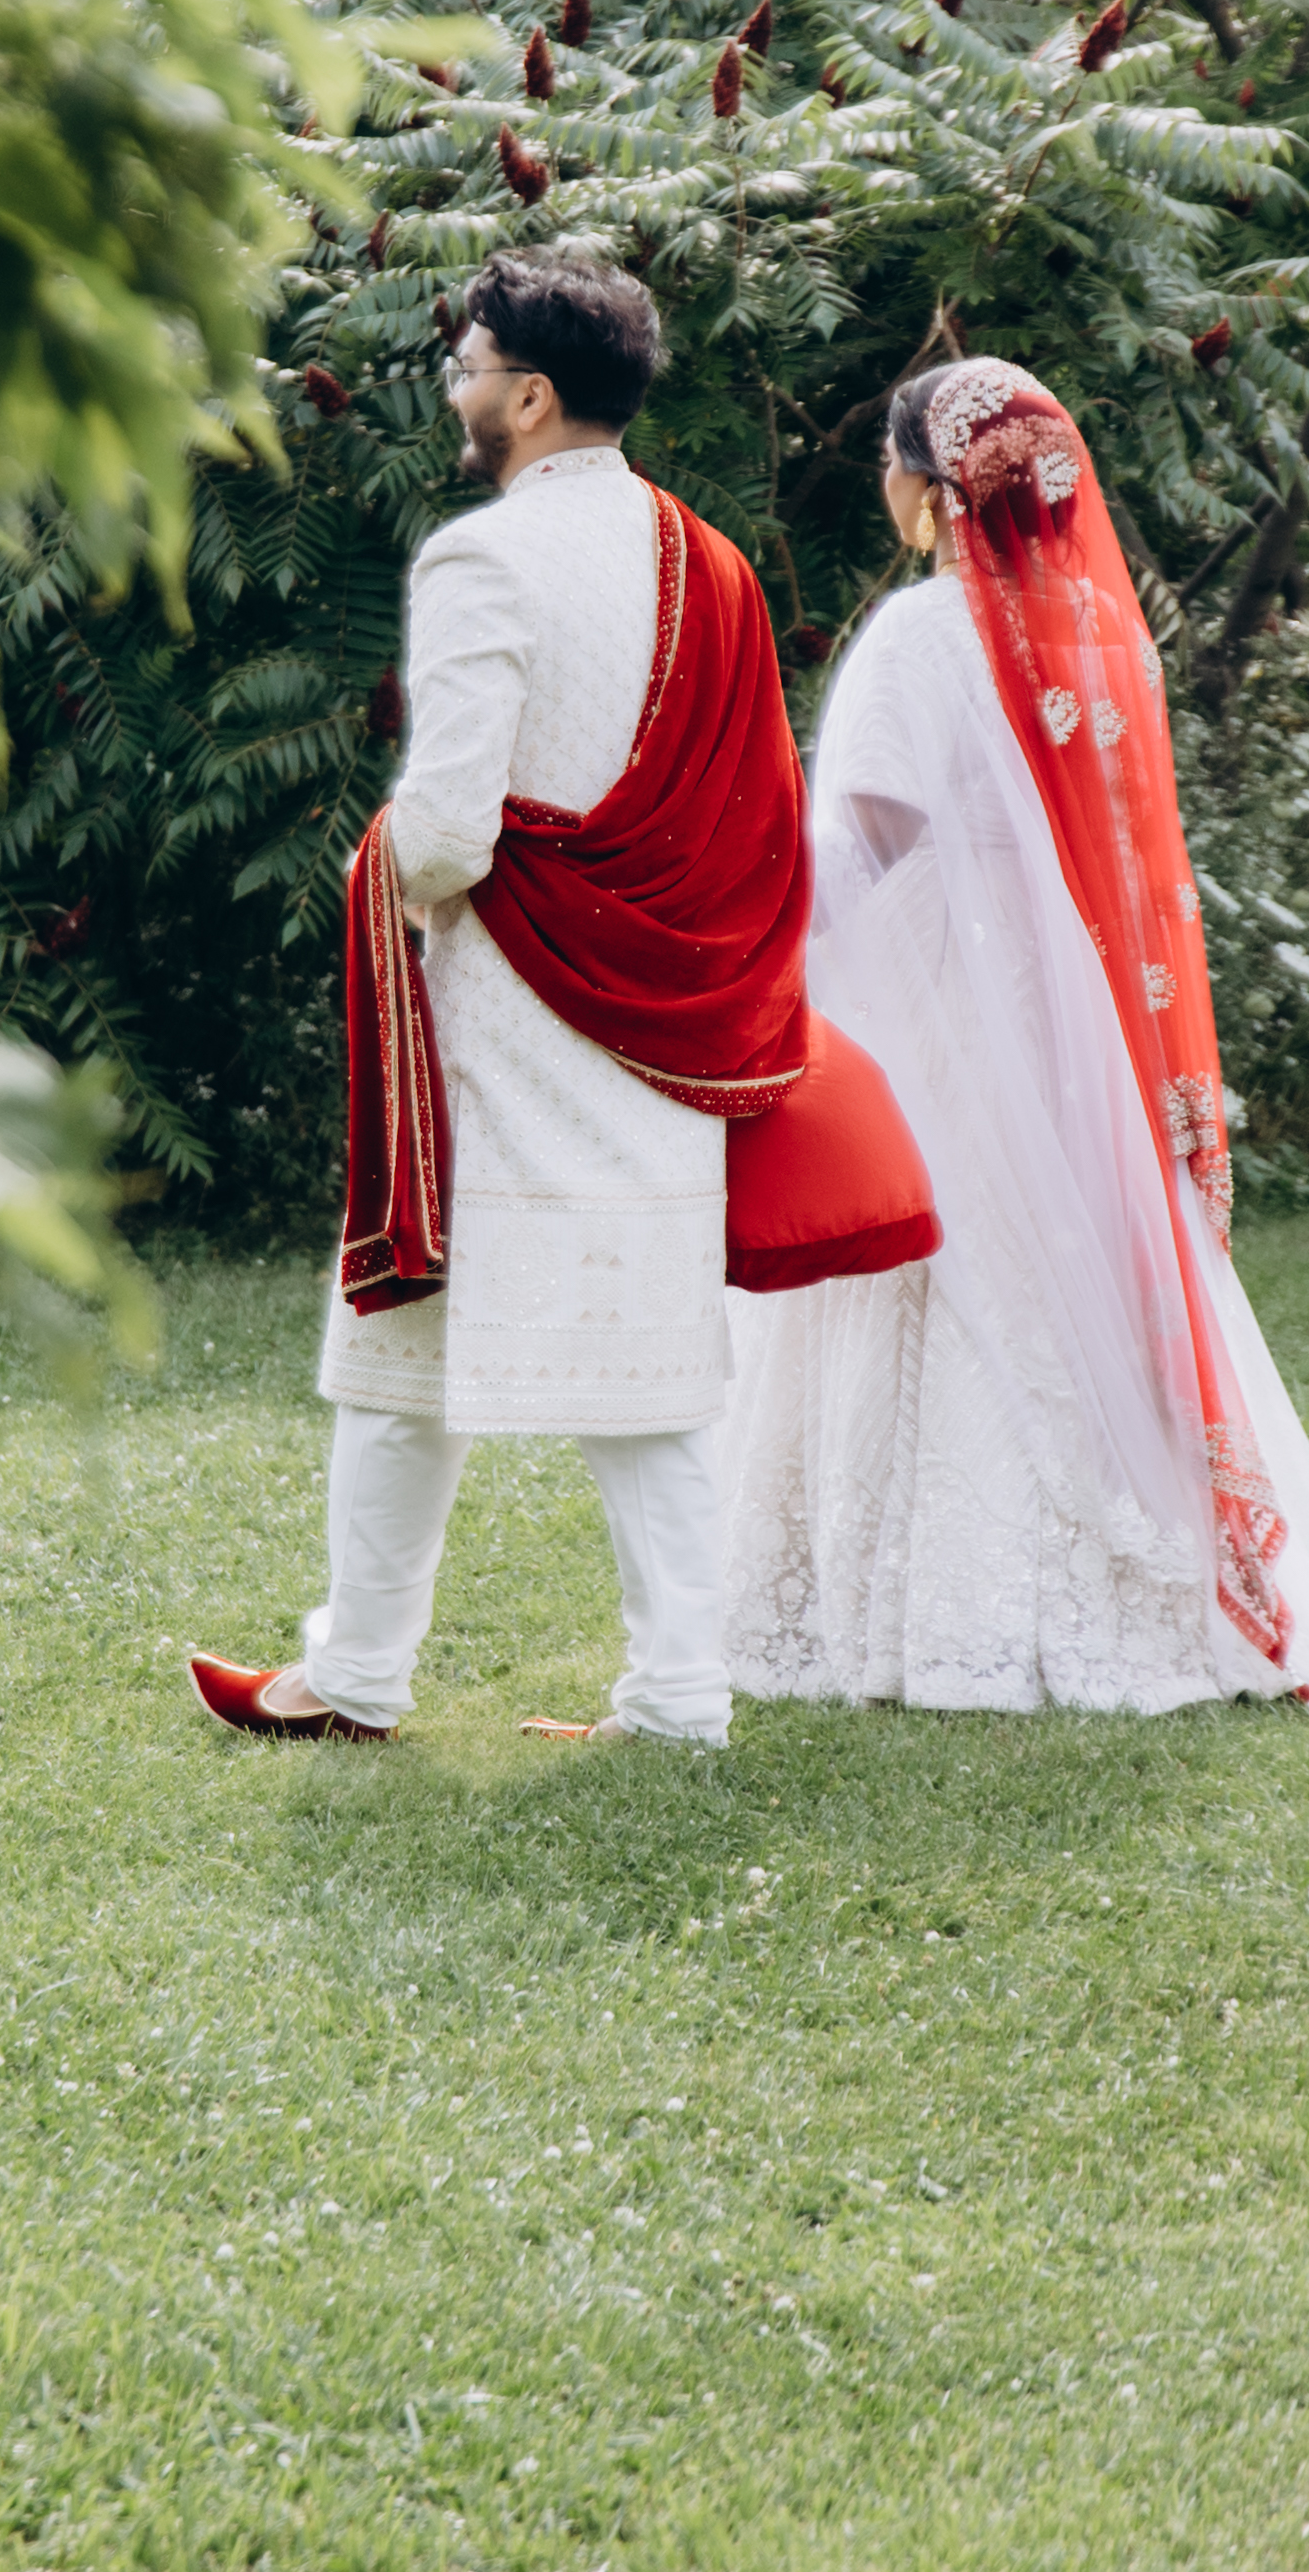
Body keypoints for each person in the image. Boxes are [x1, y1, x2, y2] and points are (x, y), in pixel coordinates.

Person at [189, 252, 818, 1748]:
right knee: (652, 1379)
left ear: (528, 397)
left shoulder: (483, 561)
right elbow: (756, 826)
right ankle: (676, 1698)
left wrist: (382, 865)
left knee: (401, 1349)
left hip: (506, 1023)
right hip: (663, 1026)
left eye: (466, 367)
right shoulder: (715, 567)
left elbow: (450, 833)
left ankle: (360, 1676)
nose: (454, 389)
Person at [722, 353, 1309, 1712]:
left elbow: (864, 847)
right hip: (1072, 1012)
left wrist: (757, 940)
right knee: (1075, 1255)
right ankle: (1131, 1565)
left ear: (932, 490)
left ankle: (937, 1605)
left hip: (939, 992)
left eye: (893, 466)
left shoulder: (920, 637)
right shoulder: (1101, 632)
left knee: (942, 1254)